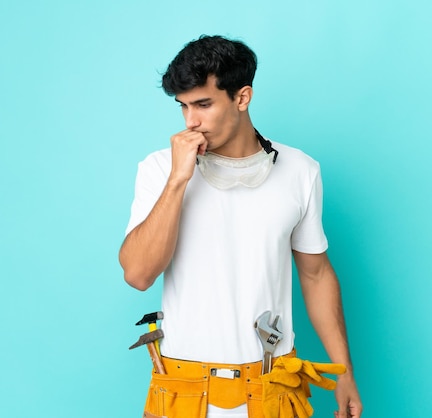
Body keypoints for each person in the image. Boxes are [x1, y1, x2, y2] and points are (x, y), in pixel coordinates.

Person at [119, 35, 363, 418]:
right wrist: (178, 180)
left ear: (242, 98)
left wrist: (344, 371)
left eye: (203, 104)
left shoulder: (301, 171)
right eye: (182, 107)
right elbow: (137, 274)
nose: (191, 122)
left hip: (271, 387)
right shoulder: (158, 169)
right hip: (183, 389)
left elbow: (315, 275)